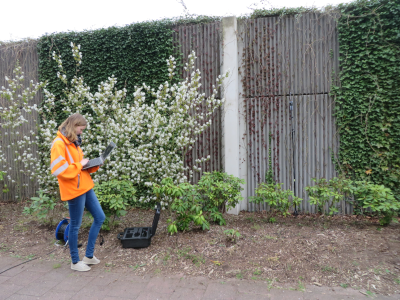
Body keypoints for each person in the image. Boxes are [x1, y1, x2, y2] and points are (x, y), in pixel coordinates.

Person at [50, 113, 105, 272]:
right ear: (74, 126)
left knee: (100, 217)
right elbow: (58, 170)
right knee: (75, 225)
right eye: (80, 129)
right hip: (74, 190)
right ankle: (75, 261)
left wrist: (93, 164)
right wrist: (80, 164)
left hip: (85, 186)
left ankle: (89, 256)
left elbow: (80, 166)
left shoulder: (73, 142)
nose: (81, 132)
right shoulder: (59, 144)